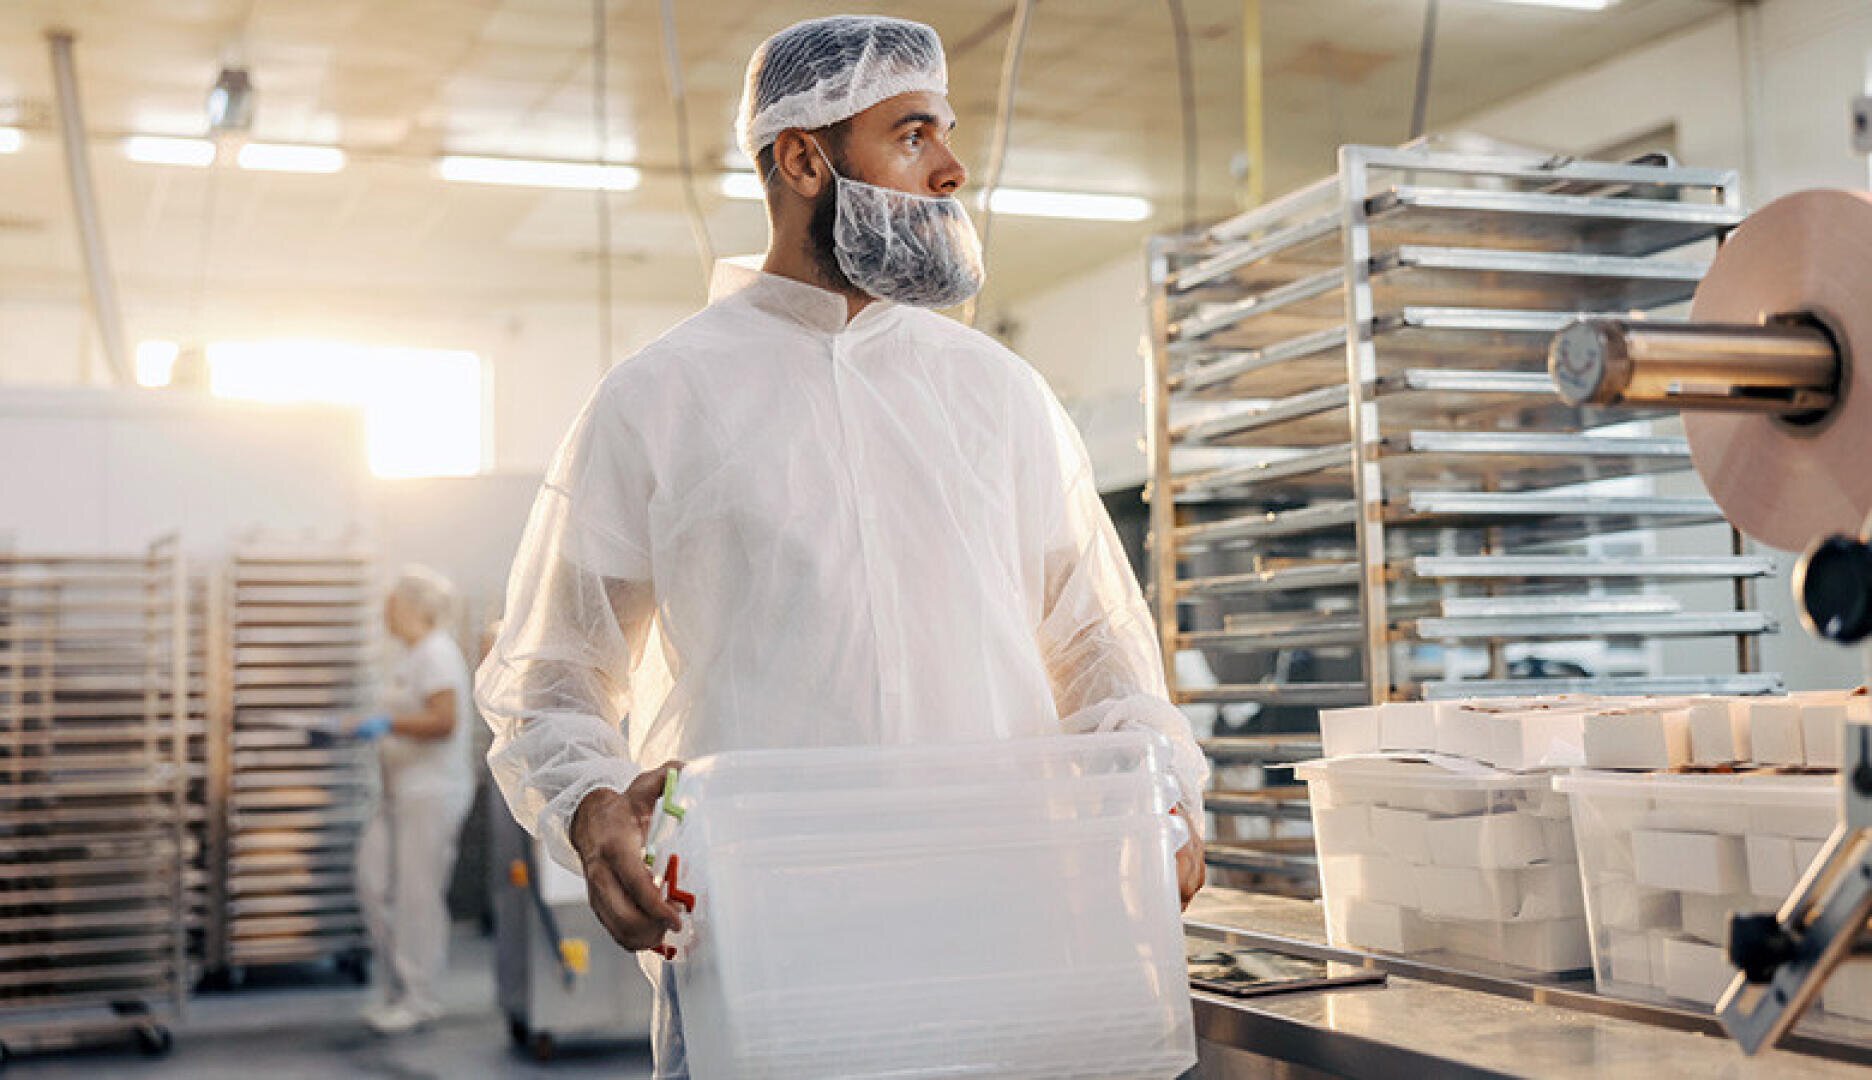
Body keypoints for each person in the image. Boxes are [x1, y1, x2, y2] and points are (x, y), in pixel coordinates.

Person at [476, 15, 1210, 1077]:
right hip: (770, 953)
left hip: (1000, 939)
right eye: (913, 136)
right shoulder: (660, 400)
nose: (953, 169)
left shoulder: (996, 395)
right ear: (803, 157)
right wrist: (593, 811)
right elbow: (551, 677)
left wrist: (1161, 786)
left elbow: (1095, 642)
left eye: (947, 133)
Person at [350, 565, 475, 1035]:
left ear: (411, 607)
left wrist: (386, 724)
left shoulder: (438, 653)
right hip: (399, 792)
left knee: (417, 896)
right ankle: (398, 988)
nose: (385, 611)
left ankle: (419, 997)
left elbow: (444, 720)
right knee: (371, 878)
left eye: (391, 602)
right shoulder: (409, 657)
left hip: (433, 791)